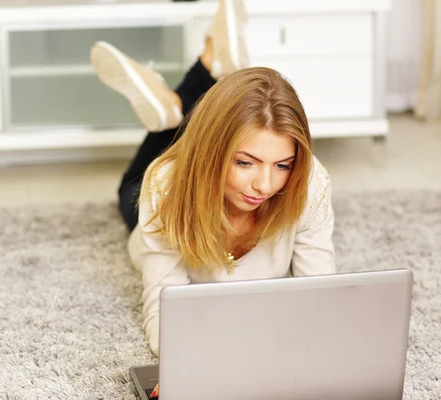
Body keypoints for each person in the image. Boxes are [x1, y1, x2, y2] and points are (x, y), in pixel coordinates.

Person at [90, 0, 336, 366]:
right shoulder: (165, 186)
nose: (264, 185)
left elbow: (320, 302)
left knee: (195, 133)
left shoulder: (309, 181)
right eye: (244, 163)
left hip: (199, 157)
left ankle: (186, 92)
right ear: (212, 155)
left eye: (282, 165)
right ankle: (187, 99)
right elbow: (163, 314)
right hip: (170, 187)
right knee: (130, 191)